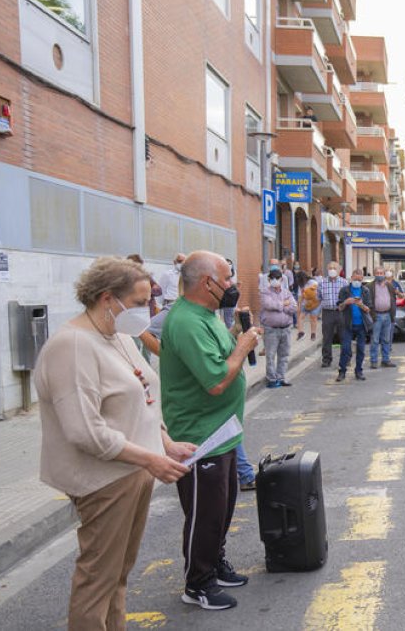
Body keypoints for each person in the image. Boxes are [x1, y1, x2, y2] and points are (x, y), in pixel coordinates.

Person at [34, 257, 195, 629]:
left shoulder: (118, 337)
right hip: (104, 480)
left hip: (134, 470)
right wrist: (149, 459)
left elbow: (140, 396)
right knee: (98, 580)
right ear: (108, 298)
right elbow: (85, 431)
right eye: (140, 302)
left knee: (118, 575)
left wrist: (165, 442)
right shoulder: (72, 346)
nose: (148, 310)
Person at [160, 251, 260, 611]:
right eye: (227, 279)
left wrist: (237, 336)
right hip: (199, 436)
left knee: (222, 508)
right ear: (207, 283)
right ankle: (197, 582)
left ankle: (214, 562)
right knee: (204, 513)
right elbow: (217, 379)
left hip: (223, 432)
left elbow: (220, 355)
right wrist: (244, 347)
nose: (232, 285)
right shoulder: (186, 321)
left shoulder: (208, 316)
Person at [260, 268, 297, 388]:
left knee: (284, 355)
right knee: (270, 355)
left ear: (282, 279)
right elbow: (268, 304)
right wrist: (283, 304)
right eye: (272, 279)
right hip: (271, 329)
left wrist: (281, 306)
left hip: (285, 328)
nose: (275, 281)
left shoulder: (286, 292)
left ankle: (281, 377)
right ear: (269, 280)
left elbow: (293, 307)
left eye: (278, 278)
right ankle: (271, 379)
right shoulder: (265, 292)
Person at [337, 270, 374, 381]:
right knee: (345, 349)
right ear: (351, 278)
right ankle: (342, 371)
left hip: (361, 325)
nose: (357, 281)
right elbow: (339, 308)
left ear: (362, 279)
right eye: (355, 279)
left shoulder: (365, 291)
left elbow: (368, 309)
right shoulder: (345, 290)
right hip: (347, 324)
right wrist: (346, 302)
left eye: (359, 280)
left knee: (361, 349)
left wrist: (360, 304)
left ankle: (359, 371)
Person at [318, 261, 347, 368]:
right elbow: (319, 297)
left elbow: (348, 297)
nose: (332, 270)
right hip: (327, 312)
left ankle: (345, 358)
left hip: (341, 312)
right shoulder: (322, 283)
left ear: (339, 270)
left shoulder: (344, 283)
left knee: (343, 336)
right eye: (330, 268)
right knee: (327, 337)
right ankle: (326, 359)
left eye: (334, 268)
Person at [370, 268, 397, 369]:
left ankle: (385, 360)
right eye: (377, 273)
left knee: (386, 340)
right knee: (375, 340)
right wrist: (372, 315)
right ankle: (374, 361)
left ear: (384, 274)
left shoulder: (389, 286)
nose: (379, 275)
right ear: (374, 274)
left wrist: (392, 314)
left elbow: (393, 299)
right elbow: (368, 302)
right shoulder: (370, 286)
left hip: (387, 315)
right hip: (376, 316)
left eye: (381, 273)